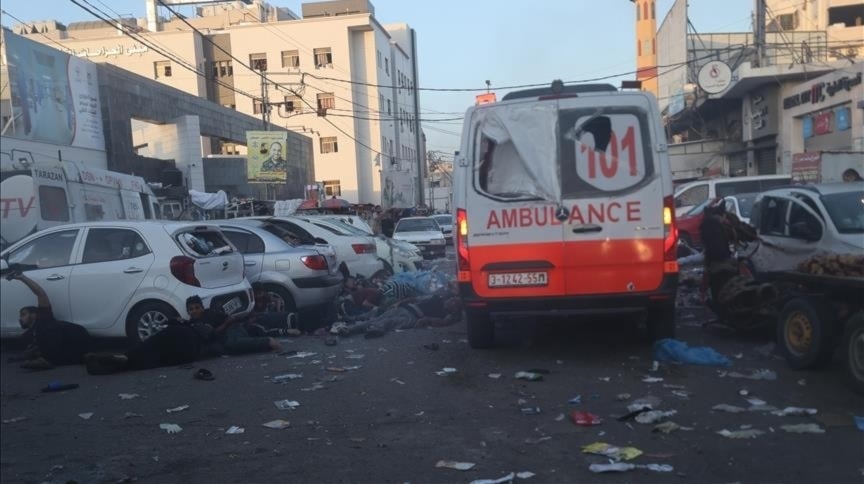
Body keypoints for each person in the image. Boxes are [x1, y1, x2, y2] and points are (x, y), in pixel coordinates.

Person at [6, 271, 91, 370]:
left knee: (46, 327)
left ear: (33, 314)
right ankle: (45, 360)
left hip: (78, 339)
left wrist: (23, 278)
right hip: (72, 353)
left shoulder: (43, 317)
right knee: (34, 345)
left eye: (23, 314)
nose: (20, 318)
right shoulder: (29, 334)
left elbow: (41, 294)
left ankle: (46, 361)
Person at [337, 292, 463, 338]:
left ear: (455, 308)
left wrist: (426, 320)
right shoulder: (437, 298)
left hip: (413, 317)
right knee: (378, 318)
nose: (451, 302)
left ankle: (374, 329)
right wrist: (399, 303)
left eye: (455, 303)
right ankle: (350, 329)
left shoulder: (445, 314)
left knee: (389, 322)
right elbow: (417, 298)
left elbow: (445, 322)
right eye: (452, 300)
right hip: (405, 308)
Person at [184, 296, 281, 355]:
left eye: (197, 308)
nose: (194, 311)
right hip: (224, 334)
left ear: (202, 308)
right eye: (191, 309)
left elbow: (227, 322)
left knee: (232, 344)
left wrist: (226, 324)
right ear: (188, 312)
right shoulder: (192, 323)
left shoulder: (208, 314)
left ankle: (268, 342)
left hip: (232, 328)